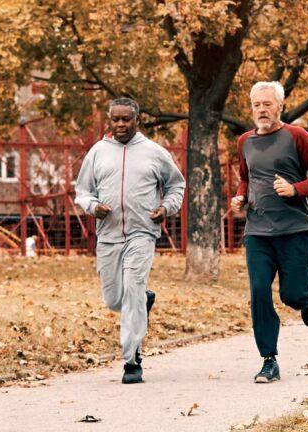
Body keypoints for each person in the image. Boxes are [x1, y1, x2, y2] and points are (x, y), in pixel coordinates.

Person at [74, 97, 185, 384]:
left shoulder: (154, 152)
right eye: (116, 119)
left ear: (137, 120)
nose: (121, 124)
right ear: (109, 121)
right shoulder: (97, 152)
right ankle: (142, 302)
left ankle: (131, 360)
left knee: (133, 288)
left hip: (142, 231)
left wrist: (166, 208)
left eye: (127, 119)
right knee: (114, 300)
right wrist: (93, 206)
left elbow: (176, 184)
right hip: (108, 234)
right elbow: (83, 191)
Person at [231, 81, 308, 383]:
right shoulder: (244, 142)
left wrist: (294, 189)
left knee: (292, 295)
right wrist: (240, 197)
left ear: (280, 106)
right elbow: (247, 180)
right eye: (256, 105)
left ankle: (307, 299)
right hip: (257, 232)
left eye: (267, 104)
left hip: (294, 229)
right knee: (259, 292)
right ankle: (268, 359)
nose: (262, 110)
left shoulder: (296, 136)